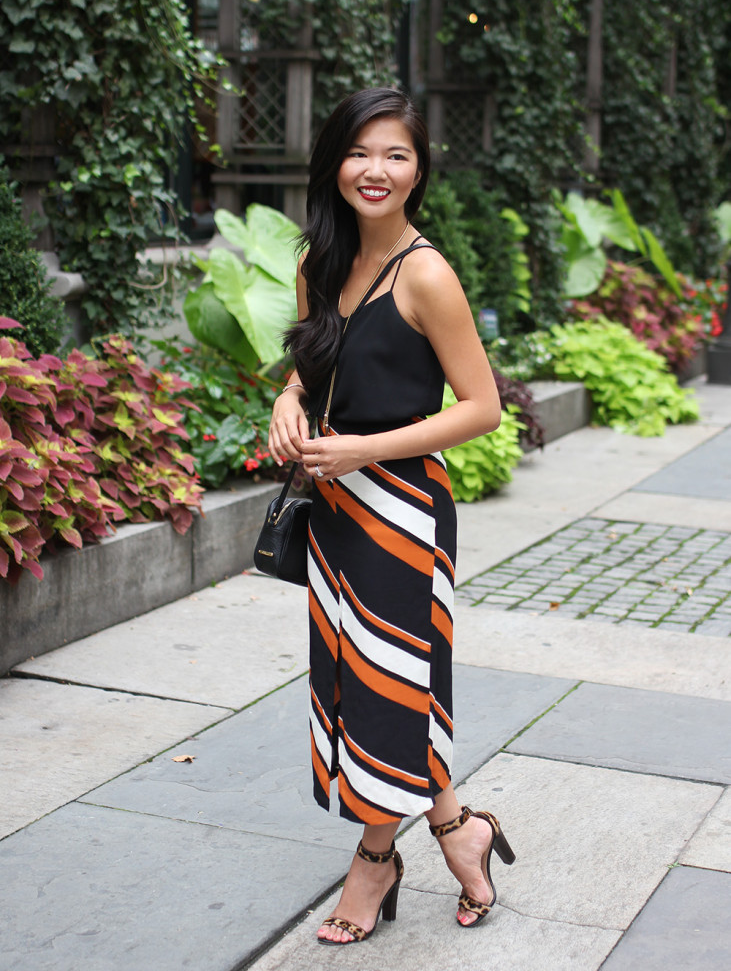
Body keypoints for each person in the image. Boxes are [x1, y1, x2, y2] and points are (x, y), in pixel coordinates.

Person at [268, 86, 514, 946]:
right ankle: (460, 831)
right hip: (335, 509)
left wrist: (367, 449)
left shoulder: (426, 274)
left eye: (396, 155)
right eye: (359, 152)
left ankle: (374, 861)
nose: (375, 171)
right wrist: (288, 399)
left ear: (417, 171)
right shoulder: (323, 260)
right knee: (367, 681)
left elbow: (482, 407)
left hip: (403, 512)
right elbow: (313, 363)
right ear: (333, 162)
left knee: (390, 687)